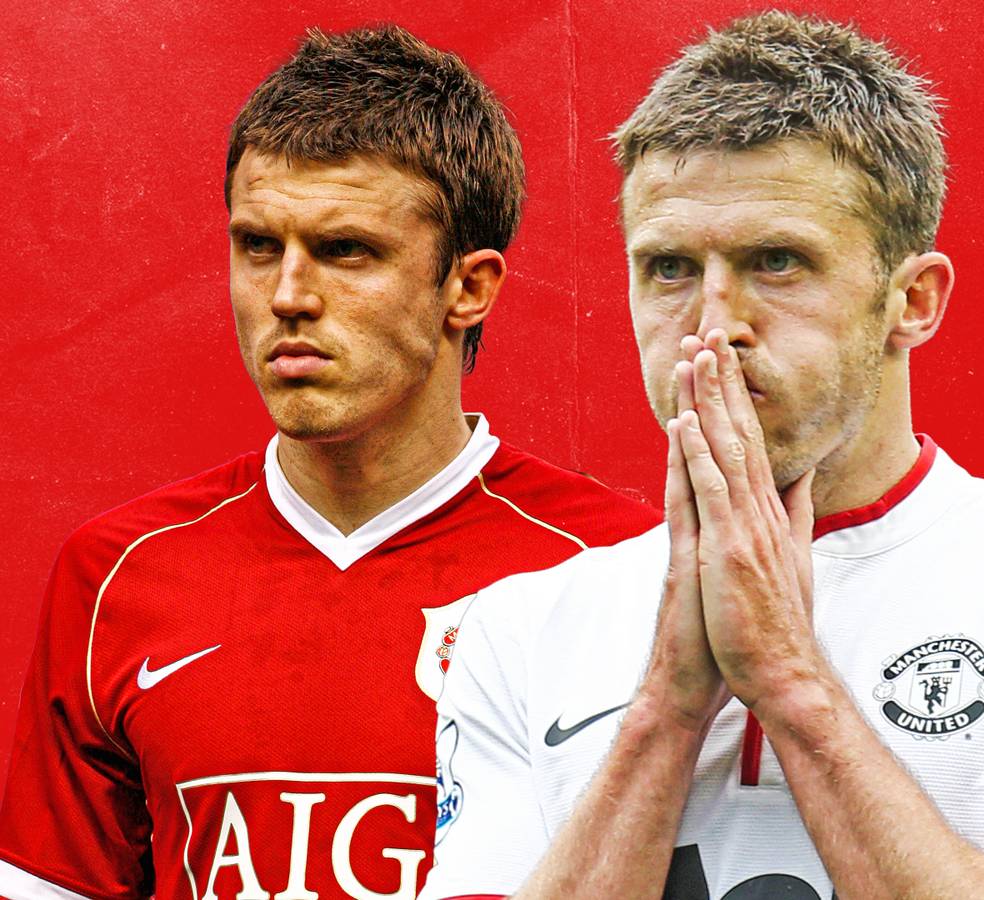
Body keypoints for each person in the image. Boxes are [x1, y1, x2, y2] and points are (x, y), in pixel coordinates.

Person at [420, 13, 984, 900]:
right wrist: (666, 711)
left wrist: (792, 683)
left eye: (777, 261)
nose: (713, 324)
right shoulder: (520, 628)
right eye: (669, 268)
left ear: (913, 301)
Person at [0, 26, 658, 900]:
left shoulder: (619, 568)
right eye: (258, 245)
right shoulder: (118, 574)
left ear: (468, 286)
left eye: (346, 250)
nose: (287, 296)